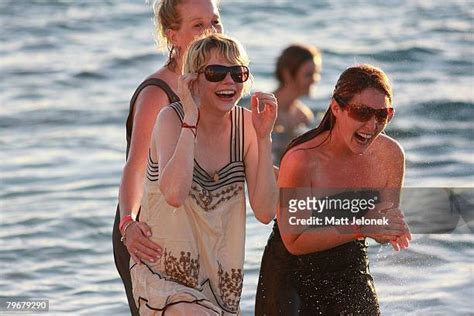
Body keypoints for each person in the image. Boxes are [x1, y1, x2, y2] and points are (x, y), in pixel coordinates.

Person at [130, 33, 278, 315]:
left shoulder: (246, 126)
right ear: (192, 80)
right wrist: (190, 118)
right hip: (165, 278)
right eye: (216, 73)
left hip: (220, 284)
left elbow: (265, 211)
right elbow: (174, 194)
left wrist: (263, 138)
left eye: (238, 73)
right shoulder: (171, 119)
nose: (229, 82)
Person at [256, 64, 411, 315]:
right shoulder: (302, 159)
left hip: (350, 268)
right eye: (362, 112)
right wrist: (362, 225)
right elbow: (294, 241)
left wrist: (390, 228)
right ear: (337, 108)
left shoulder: (390, 156)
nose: (372, 125)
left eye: (382, 115)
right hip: (292, 274)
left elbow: (379, 228)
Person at [112, 1, 224, 314]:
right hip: (149, 236)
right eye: (198, 25)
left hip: (197, 233)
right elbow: (134, 168)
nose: (211, 31)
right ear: (172, 35)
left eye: (215, 21)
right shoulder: (157, 94)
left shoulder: (220, 84)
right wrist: (128, 225)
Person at [272, 44, 322, 162]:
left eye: (316, 73)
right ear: (287, 74)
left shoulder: (303, 116)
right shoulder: (262, 108)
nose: (315, 79)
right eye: (308, 74)